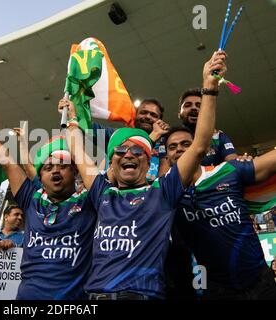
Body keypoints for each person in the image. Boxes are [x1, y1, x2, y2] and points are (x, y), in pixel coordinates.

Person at [61, 50, 227, 300]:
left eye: (138, 150)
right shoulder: (100, 190)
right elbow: (77, 149)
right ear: (112, 163)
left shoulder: (163, 191)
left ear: (148, 159)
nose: (128, 154)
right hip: (95, 297)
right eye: (120, 149)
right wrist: (70, 118)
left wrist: (209, 88)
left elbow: (200, 145)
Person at [0, 112, 97, 300]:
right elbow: (7, 163)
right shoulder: (32, 199)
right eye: (47, 168)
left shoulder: (90, 201)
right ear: (40, 178)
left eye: (62, 165)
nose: (55, 170)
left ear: (75, 171)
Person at [165, 126, 276, 299]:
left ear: (198, 148)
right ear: (167, 157)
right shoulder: (165, 195)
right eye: (172, 147)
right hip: (219, 291)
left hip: (262, 283)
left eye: (186, 143)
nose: (179, 148)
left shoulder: (228, 170)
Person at [91, 98, 170, 182]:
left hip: (150, 193)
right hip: (114, 193)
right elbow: (86, 126)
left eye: (153, 115)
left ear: (160, 121)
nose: (147, 117)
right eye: (143, 113)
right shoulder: (116, 135)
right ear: (135, 116)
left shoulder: (166, 148)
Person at [176, 88, 238, 166]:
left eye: (199, 105)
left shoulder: (218, 137)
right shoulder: (170, 141)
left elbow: (234, 165)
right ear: (179, 113)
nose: (194, 108)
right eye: (188, 105)